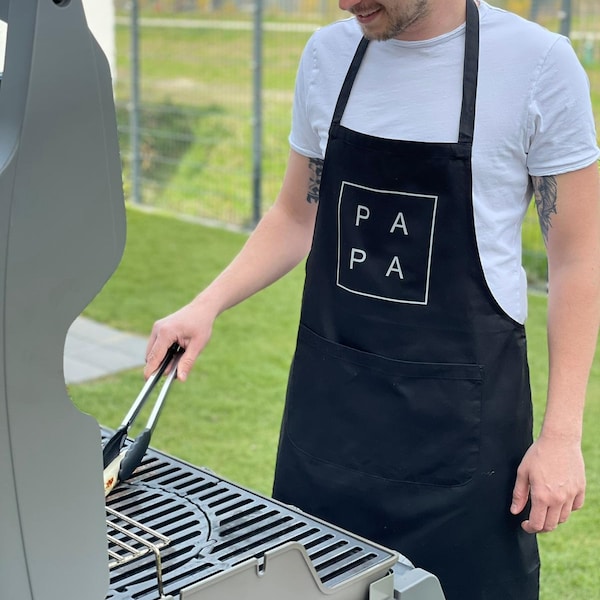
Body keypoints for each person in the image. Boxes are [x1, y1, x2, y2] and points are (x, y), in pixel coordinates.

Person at [144, 1, 600, 598]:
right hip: (328, 423)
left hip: (463, 442)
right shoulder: (326, 57)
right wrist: (205, 304)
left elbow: (578, 259)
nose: (344, 2)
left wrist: (562, 437)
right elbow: (293, 214)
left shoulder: (537, 64)